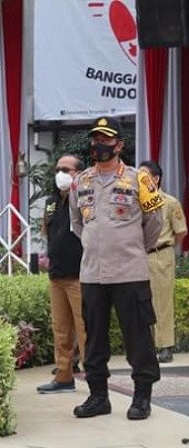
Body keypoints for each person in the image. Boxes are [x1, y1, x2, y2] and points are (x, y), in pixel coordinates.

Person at [69, 116, 164, 420]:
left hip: (129, 273)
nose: (99, 145)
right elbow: (77, 223)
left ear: (119, 145)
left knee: (138, 339)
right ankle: (99, 397)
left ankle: (142, 398)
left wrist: (131, 248)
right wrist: (98, 245)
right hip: (92, 274)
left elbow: (155, 223)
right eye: (96, 139)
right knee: (94, 339)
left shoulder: (140, 179)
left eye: (106, 140)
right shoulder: (81, 181)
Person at [37, 154, 88, 394]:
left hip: (80, 275)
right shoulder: (51, 201)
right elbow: (47, 232)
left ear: (79, 173)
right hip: (56, 275)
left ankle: (95, 379)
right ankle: (64, 376)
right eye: (58, 169)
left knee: (85, 329)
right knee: (61, 330)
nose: (61, 174)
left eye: (67, 170)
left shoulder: (86, 200)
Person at [139, 160, 188, 363]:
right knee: (141, 301)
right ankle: (146, 345)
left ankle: (165, 346)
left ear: (156, 179)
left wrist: (165, 247)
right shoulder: (136, 201)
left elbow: (181, 231)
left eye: (144, 175)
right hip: (139, 256)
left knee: (162, 302)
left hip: (160, 254)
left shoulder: (169, 202)